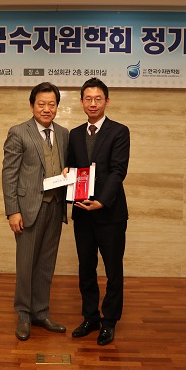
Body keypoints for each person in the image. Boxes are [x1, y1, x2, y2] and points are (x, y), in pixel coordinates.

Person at [2, 82, 69, 341]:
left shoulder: (63, 133)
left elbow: (66, 166)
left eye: (51, 104)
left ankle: (41, 312)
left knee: (45, 264)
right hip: (28, 209)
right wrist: (12, 211)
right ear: (32, 105)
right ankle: (23, 314)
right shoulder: (19, 132)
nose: (46, 109)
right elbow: (9, 174)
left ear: (57, 107)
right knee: (26, 265)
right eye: (41, 104)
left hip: (55, 206)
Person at [66, 77, 130, 346]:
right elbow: (72, 168)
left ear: (107, 101)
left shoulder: (119, 131)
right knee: (86, 268)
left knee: (113, 270)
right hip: (83, 212)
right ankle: (90, 317)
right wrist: (67, 177)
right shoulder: (74, 134)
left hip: (110, 213)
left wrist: (102, 201)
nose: (93, 103)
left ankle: (109, 321)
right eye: (88, 99)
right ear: (82, 102)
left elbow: (118, 171)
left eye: (98, 99)